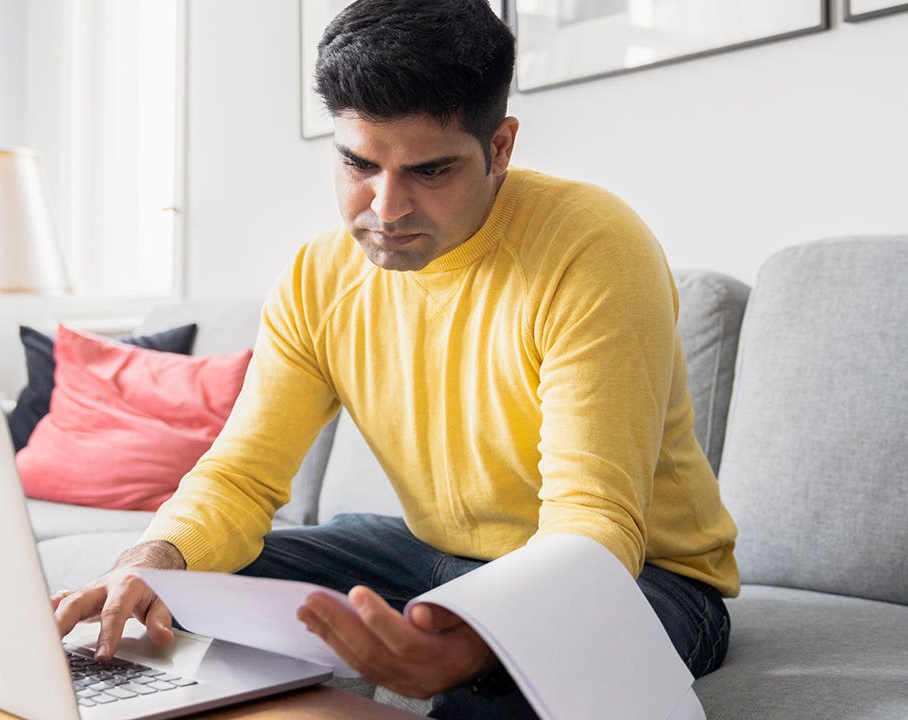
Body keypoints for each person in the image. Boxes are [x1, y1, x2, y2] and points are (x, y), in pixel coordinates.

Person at [52, 0, 738, 716]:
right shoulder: (317, 278)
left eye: (430, 170)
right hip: (428, 554)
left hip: (644, 576)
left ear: (501, 147)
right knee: (182, 594)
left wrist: (485, 640)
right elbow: (242, 476)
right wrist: (153, 558)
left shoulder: (592, 249)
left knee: (502, 689)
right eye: (358, 163)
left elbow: (592, 519)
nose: (386, 208)